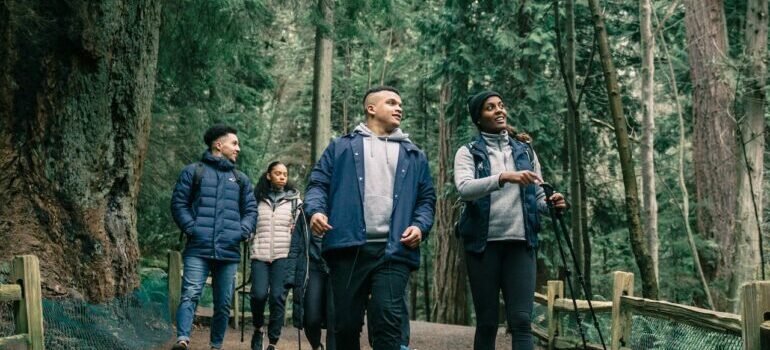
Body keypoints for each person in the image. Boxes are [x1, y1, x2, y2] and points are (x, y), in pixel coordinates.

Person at [304, 86, 436, 350]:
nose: (399, 107)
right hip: (347, 246)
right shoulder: (340, 147)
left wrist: (419, 226)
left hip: (394, 249)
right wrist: (316, 211)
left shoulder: (414, 155)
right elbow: (318, 184)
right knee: (345, 325)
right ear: (371, 108)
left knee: (387, 322)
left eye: (400, 103)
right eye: (391, 102)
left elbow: (426, 200)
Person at [454, 91, 566, 350]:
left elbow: (538, 197)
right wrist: (504, 177)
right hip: (483, 246)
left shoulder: (525, 150)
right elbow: (465, 188)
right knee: (487, 322)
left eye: (501, 106)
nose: (499, 111)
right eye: (490, 107)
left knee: (522, 321)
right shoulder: (468, 152)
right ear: (478, 118)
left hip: (521, 243)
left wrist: (551, 204)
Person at [170, 124, 258, 350]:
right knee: (190, 294)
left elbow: (250, 211)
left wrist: (241, 231)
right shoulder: (193, 172)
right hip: (198, 248)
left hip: (228, 252)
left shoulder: (241, 179)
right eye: (234, 143)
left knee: (223, 303)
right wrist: (193, 228)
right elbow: (179, 204)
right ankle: (182, 340)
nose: (238, 148)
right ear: (219, 145)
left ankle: (215, 346)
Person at [249, 161, 302, 350]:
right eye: (277, 173)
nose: (282, 177)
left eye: (285, 174)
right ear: (268, 175)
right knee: (258, 295)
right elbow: (249, 225)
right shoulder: (256, 199)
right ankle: (257, 328)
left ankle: (272, 342)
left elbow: (300, 231)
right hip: (260, 254)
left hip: (283, 255)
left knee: (278, 297)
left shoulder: (295, 201)